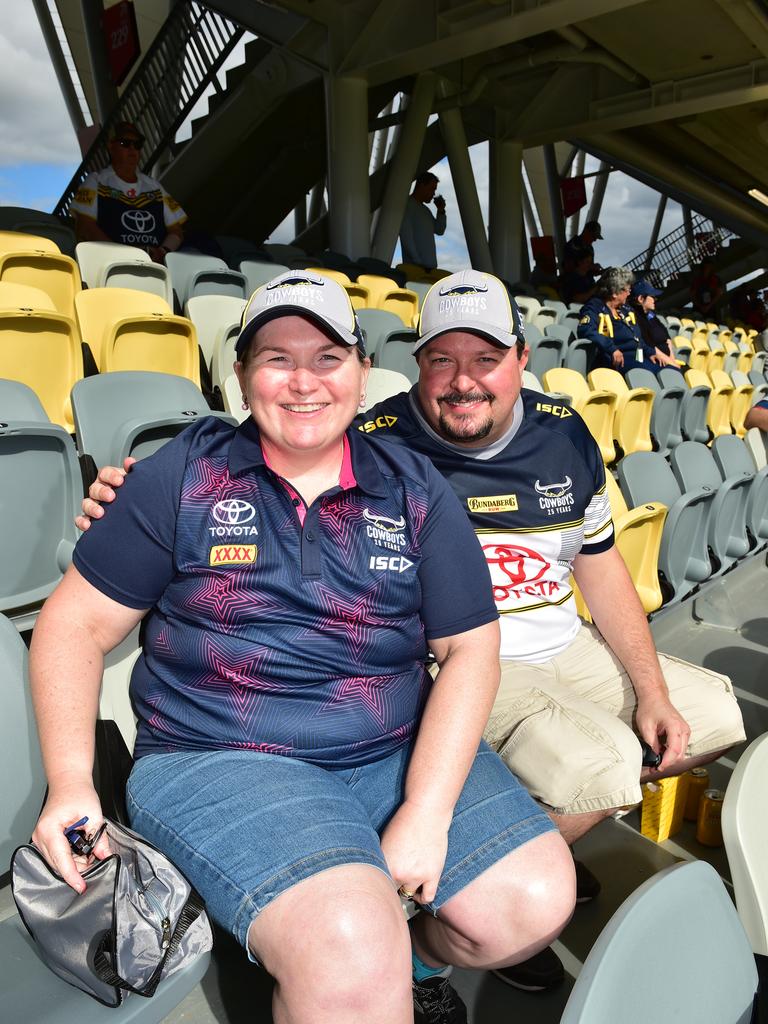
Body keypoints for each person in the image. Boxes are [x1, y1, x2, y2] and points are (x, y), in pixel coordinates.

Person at [81, 270, 745, 995]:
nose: (462, 382)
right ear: (240, 375)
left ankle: (430, 929)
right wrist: (130, 500)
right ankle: (372, 917)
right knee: (600, 763)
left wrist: (648, 687)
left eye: (484, 359)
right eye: (440, 360)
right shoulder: (332, 443)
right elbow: (85, 615)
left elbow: (595, 568)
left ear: (520, 358)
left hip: (474, 677)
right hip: (258, 733)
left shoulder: (539, 440)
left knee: (683, 743)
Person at [36, 271, 575, 1024]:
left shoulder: (416, 490)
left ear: (360, 372)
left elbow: (470, 649)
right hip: (220, 754)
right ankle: (354, 970)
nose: (303, 382)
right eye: (276, 358)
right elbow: (74, 626)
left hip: (390, 743)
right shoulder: (180, 476)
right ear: (239, 376)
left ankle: (406, 965)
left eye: (327, 357)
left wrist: (426, 808)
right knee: (351, 946)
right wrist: (70, 782)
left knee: (534, 902)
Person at [70, 121, 186, 262]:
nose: (132, 149)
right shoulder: (95, 181)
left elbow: (176, 231)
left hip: (153, 266)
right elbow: (85, 228)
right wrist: (123, 254)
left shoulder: (155, 186)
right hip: (111, 264)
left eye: (137, 145)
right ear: (111, 147)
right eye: (125, 143)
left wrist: (162, 251)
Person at [577, 266, 679, 375]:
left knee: (671, 371)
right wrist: (612, 349)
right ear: (615, 292)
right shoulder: (594, 307)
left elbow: (638, 340)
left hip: (638, 357)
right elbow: (586, 329)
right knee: (646, 373)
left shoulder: (626, 309)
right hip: (618, 360)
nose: (629, 293)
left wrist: (652, 352)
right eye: (627, 290)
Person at [399, 172, 447, 272]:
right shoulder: (407, 205)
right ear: (421, 185)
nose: (433, 194)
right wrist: (418, 263)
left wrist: (441, 210)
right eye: (432, 189)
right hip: (416, 268)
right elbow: (406, 236)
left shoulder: (425, 210)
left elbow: (439, 230)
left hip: (428, 268)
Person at [630, 279, 678, 360]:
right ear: (641, 298)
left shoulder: (651, 314)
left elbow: (666, 336)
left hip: (668, 360)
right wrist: (671, 363)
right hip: (657, 361)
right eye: (652, 296)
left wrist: (672, 358)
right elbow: (649, 345)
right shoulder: (636, 318)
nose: (655, 299)